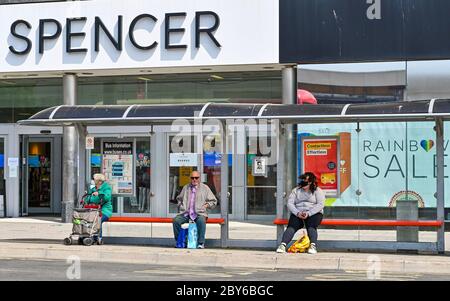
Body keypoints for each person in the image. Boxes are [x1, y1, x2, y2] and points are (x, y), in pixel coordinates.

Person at [276, 172, 325, 254]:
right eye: (303, 180)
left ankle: (313, 246)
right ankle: (282, 245)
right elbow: (290, 203)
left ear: (311, 182)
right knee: (292, 226)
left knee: (311, 226)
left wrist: (309, 213)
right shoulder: (296, 190)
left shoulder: (318, 191)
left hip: (314, 213)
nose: (304, 182)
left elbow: (321, 204)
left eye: (307, 181)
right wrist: (297, 213)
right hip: (298, 213)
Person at [172, 170, 217, 249]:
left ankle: (200, 243)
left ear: (199, 178)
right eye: (192, 178)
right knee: (176, 220)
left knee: (201, 221)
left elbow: (214, 201)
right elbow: (179, 198)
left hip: (199, 213)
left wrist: (207, 205)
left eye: (196, 178)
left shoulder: (205, 188)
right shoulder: (186, 187)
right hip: (186, 213)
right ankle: (180, 241)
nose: (194, 179)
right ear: (190, 178)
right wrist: (180, 204)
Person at [85, 173, 112, 244]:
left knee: (97, 220)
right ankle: (87, 236)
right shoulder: (93, 188)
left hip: (105, 211)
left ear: (99, 181)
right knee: (87, 219)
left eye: (94, 180)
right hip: (94, 210)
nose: (93, 181)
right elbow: (88, 199)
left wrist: (99, 193)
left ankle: (97, 237)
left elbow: (106, 197)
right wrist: (92, 199)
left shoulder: (107, 187)